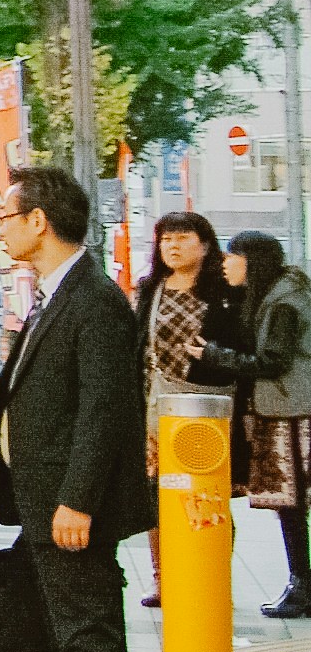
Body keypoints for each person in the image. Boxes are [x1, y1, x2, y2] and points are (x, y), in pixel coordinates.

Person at [0, 164, 149, 652]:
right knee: (73, 640)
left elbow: (104, 411)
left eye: (6, 214)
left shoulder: (94, 301)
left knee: (90, 640)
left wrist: (77, 499)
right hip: (43, 498)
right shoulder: (59, 293)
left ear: (39, 222)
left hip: (69, 505)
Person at [195, 228, 309, 622]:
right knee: (291, 507)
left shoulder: (284, 304)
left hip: (293, 416)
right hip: (286, 411)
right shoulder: (275, 297)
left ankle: (302, 586)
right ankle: (301, 584)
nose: (226, 264)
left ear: (252, 261)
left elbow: (272, 362)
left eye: (232, 257)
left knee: (292, 506)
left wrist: (213, 355)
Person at [130, 211, 227, 611]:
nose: (172, 245)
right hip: (155, 405)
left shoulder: (224, 291)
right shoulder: (152, 288)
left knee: (209, 491)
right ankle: (164, 578)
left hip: (209, 406)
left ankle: (209, 571)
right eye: (166, 238)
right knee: (159, 496)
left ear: (205, 245)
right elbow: (138, 347)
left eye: (183, 238)